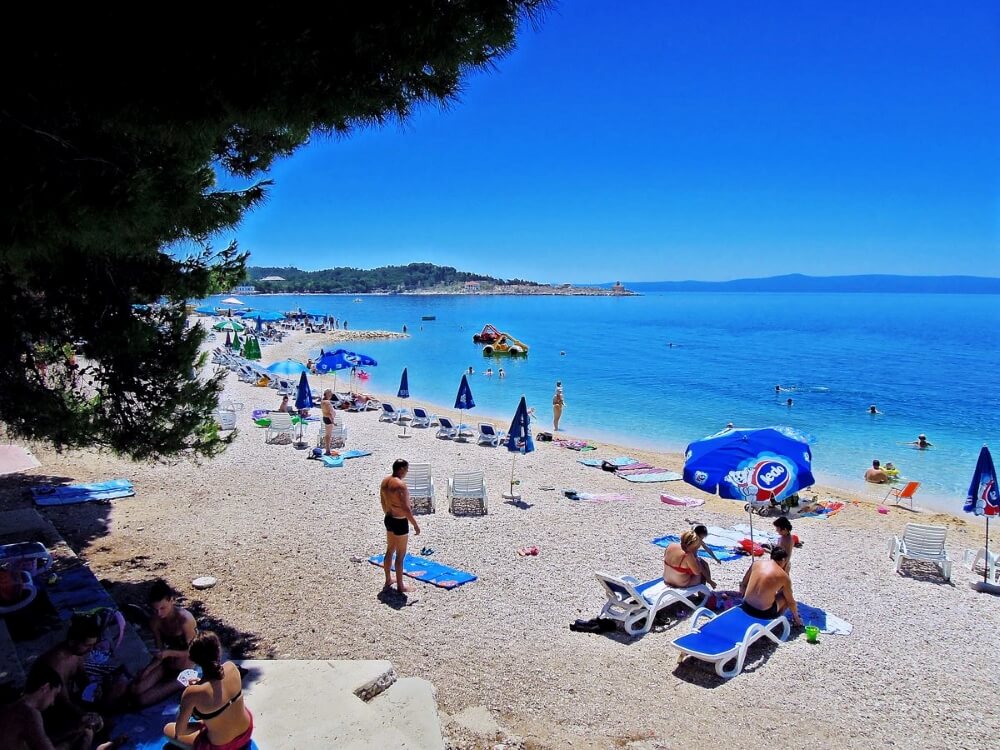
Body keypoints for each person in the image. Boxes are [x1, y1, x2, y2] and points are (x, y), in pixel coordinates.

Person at [163, 631, 253, 750]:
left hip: (221, 746)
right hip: (246, 732)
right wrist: (200, 683)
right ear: (219, 650)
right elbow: (217, 687)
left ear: (194, 659)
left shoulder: (192, 693)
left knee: (168, 729)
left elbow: (181, 731)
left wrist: (201, 725)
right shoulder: (232, 668)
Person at [0, 663, 122, 750]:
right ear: (45, 688)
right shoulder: (29, 713)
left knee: (81, 734)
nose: (53, 702)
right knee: (86, 736)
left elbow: (42, 741)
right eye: (54, 695)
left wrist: (76, 728)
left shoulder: (11, 707)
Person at [31, 617, 110, 746]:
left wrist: (94, 688)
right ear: (72, 642)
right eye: (88, 645)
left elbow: (82, 678)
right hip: (51, 712)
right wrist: (89, 717)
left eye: (92, 645)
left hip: (67, 703)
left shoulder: (77, 653)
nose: (90, 650)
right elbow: (64, 703)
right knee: (94, 727)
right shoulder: (56, 663)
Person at [129, 580, 197, 708]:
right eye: (155, 610)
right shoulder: (155, 621)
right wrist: (148, 670)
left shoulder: (185, 620)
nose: (159, 613)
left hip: (184, 668)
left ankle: (182, 683)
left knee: (142, 700)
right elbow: (160, 651)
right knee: (135, 689)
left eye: (162, 608)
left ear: (171, 600)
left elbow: (194, 652)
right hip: (166, 663)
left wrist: (169, 652)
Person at [379, 459, 420, 593]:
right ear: (401, 469)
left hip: (389, 518)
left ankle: (388, 580)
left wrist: (388, 512)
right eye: (406, 470)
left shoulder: (385, 481)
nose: (407, 472)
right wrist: (415, 524)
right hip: (399, 521)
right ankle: (401, 586)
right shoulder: (400, 485)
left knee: (390, 550)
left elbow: (383, 502)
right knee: (400, 554)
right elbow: (406, 509)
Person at [739, 547, 802, 625]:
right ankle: (775, 623)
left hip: (745, 607)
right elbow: (791, 601)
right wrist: (797, 617)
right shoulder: (784, 576)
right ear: (783, 560)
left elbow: (743, 584)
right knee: (785, 597)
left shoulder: (756, 564)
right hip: (763, 614)